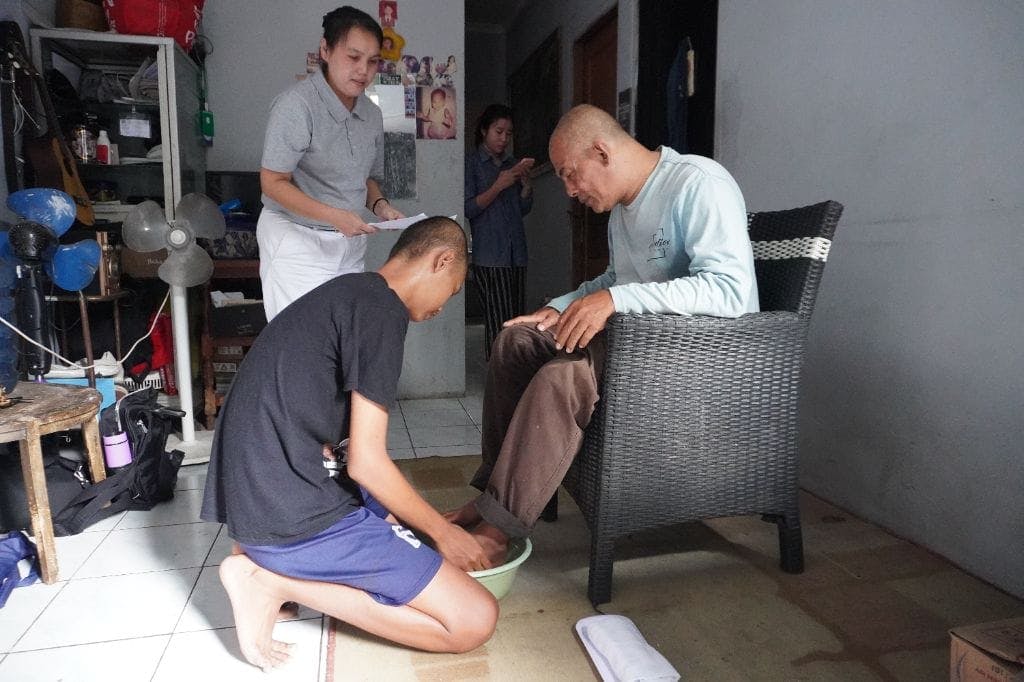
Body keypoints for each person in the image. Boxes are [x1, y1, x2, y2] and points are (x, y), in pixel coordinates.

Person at [447, 104, 760, 564]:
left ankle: (498, 530)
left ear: (601, 151)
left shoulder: (698, 184)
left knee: (563, 376)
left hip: (694, 356)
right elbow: (614, 281)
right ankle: (493, 493)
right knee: (513, 343)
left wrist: (615, 302)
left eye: (572, 175)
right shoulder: (621, 211)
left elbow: (730, 291)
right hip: (637, 341)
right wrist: (554, 309)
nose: (571, 192)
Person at [201, 217, 498, 671]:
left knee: (404, 521)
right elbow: (366, 463)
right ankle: (269, 582)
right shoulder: (383, 312)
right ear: (442, 261)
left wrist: (413, 526)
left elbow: (337, 447)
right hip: (287, 517)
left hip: (256, 505)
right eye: (453, 290)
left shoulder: (352, 294)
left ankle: (269, 565)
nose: (444, 306)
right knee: (473, 620)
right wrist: (443, 534)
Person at [257, 6, 405, 321]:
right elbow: (272, 182)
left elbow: (366, 178)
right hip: (297, 242)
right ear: (325, 49)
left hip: (349, 243)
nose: (363, 70)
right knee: (300, 342)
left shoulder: (372, 114)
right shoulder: (297, 106)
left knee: (344, 338)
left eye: (372, 60)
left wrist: (380, 206)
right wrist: (335, 216)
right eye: (353, 57)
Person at [463, 104, 534, 359]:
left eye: (508, 133)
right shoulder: (472, 163)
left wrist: (525, 187)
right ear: (484, 130)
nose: (504, 138)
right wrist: (499, 185)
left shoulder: (512, 164)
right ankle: (497, 380)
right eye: (498, 131)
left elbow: (521, 209)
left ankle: (515, 374)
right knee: (496, 321)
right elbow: (469, 208)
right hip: (490, 255)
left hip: (517, 253)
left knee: (517, 319)